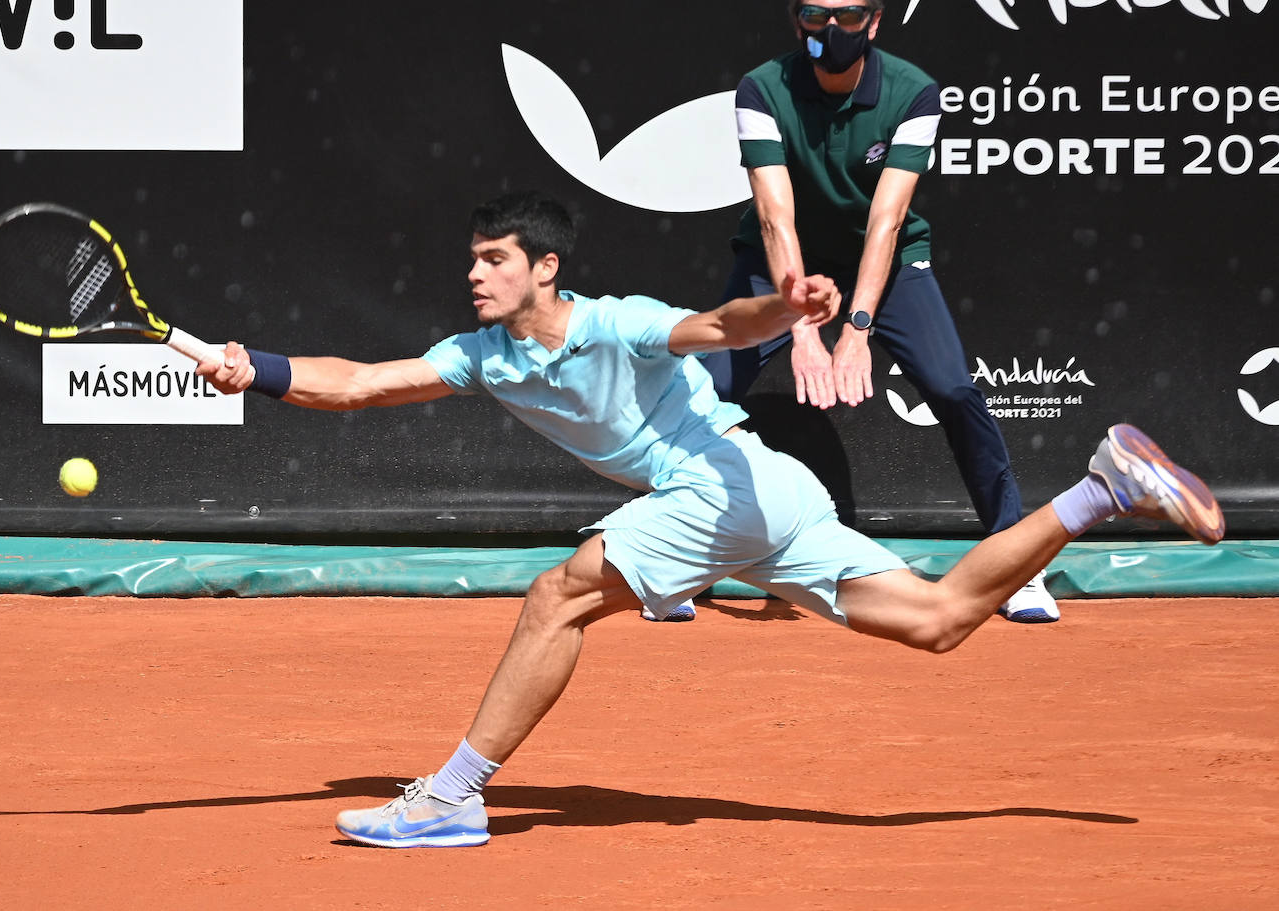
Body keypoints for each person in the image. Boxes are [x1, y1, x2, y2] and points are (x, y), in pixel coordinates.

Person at [197, 191, 1225, 849]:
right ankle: (1102, 485)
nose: (477, 272)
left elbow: (715, 325)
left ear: (545, 268)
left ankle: (457, 792)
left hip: (719, 486)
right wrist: (259, 370)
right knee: (941, 617)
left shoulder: (618, 322)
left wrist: (787, 310)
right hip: (766, 494)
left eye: (497, 257)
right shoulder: (484, 356)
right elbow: (363, 383)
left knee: (558, 594)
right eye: (473, 257)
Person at [704, 1, 1059, 622]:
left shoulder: (914, 92)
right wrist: (802, 326)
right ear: (796, 21)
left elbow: (886, 220)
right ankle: (675, 564)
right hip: (783, 261)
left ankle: (1015, 563)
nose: (832, 30)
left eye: (849, 15)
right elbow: (773, 216)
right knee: (704, 392)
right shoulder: (761, 89)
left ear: (876, 21)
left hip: (885, 260)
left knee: (952, 387)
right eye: (816, 16)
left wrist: (858, 326)